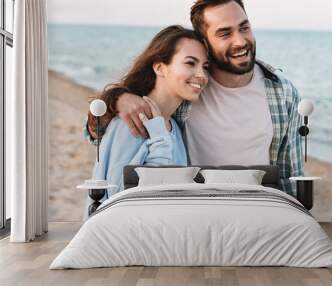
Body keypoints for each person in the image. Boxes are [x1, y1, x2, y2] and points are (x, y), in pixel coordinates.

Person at [85, 0, 304, 196]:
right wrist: (116, 98)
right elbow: (99, 137)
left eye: (244, 28)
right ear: (205, 43)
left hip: (254, 214)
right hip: (195, 216)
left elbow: (289, 173)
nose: (240, 41)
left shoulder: (281, 91)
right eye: (225, 33)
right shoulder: (188, 91)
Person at [89, 25, 208, 197]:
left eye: (205, 66)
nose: (202, 75)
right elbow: (115, 199)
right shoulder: (130, 122)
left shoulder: (174, 127)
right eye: (190, 63)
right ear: (160, 68)